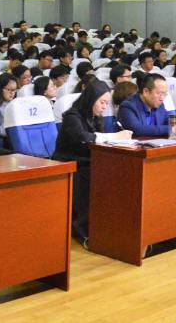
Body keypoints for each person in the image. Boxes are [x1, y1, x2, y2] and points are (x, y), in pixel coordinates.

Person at [52, 81, 133, 244]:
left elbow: (99, 142)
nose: (104, 107)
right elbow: (84, 139)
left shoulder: (95, 117)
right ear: (91, 99)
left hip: (88, 160)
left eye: (107, 103)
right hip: (69, 162)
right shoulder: (72, 116)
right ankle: (83, 231)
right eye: (102, 102)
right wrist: (114, 136)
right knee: (90, 177)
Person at [118, 73, 176, 137]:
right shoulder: (127, 107)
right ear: (146, 92)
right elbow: (137, 130)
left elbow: (173, 121)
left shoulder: (159, 104)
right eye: (160, 93)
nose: (162, 98)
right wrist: (173, 129)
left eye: (165, 94)